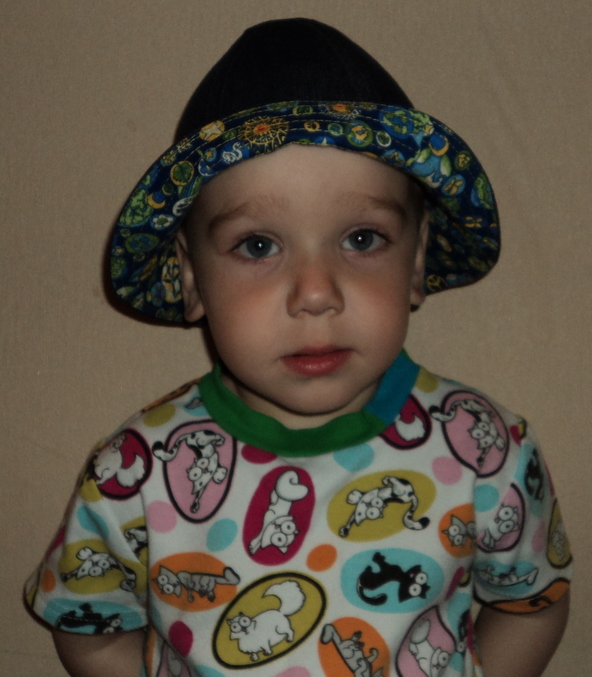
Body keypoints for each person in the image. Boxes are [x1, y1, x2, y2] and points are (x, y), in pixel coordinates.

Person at [24, 18, 572, 677]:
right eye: (258, 245)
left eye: (362, 239)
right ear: (192, 278)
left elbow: (531, 604)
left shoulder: (486, 451)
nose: (316, 293)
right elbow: (88, 624)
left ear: (418, 258)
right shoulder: (133, 474)